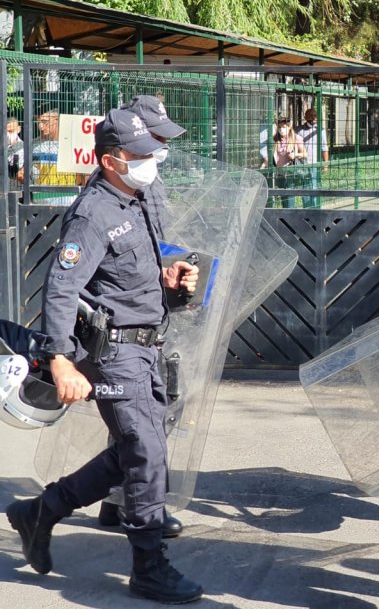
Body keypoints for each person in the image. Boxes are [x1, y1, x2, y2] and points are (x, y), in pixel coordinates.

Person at [4, 108, 203, 603]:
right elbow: (61, 288)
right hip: (113, 351)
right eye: (141, 154)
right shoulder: (94, 214)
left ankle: (43, 510)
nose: (152, 160)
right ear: (113, 160)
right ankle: (148, 568)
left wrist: (170, 280)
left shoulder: (134, 200)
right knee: (147, 452)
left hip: (146, 344)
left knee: (134, 450)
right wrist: (60, 360)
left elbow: (128, 278)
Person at [89, 94, 188, 539]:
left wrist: (173, 277)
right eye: (153, 145)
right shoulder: (109, 198)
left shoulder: (145, 181)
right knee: (139, 431)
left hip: (151, 312)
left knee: (146, 424)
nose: (158, 155)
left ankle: (116, 503)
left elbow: (153, 249)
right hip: (122, 328)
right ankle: (133, 509)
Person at [18, 108, 80, 204]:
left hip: (61, 199)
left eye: (44, 122)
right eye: (38, 122)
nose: (40, 127)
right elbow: (23, 173)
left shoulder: (71, 143)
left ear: (56, 120)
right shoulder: (34, 145)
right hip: (47, 199)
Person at [298, 108, 329, 208]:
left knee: (314, 187)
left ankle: (316, 210)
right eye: (311, 115)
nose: (313, 117)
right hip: (303, 164)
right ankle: (307, 211)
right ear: (305, 117)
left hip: (315, 163)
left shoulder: (320, 130)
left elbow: (324, 147)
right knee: (305, 189)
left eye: (315, 115)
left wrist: (325, 164)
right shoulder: (299, 130)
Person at [271, 118, 306, 208]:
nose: (281, 129)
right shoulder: (276, 139)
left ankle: (290, 219)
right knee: (283, 200)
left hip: (290, 174)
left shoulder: (295, 138)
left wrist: (295, 155)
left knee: (289, 200)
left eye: (283, 127)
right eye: (279, 127)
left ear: (289, 127)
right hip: (279, 174)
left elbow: (305, 154)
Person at [7, 117, 24, 182]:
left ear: (18, 129)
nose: (7, 135)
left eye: (11, 131)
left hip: (19, 185)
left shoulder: (25, 148)